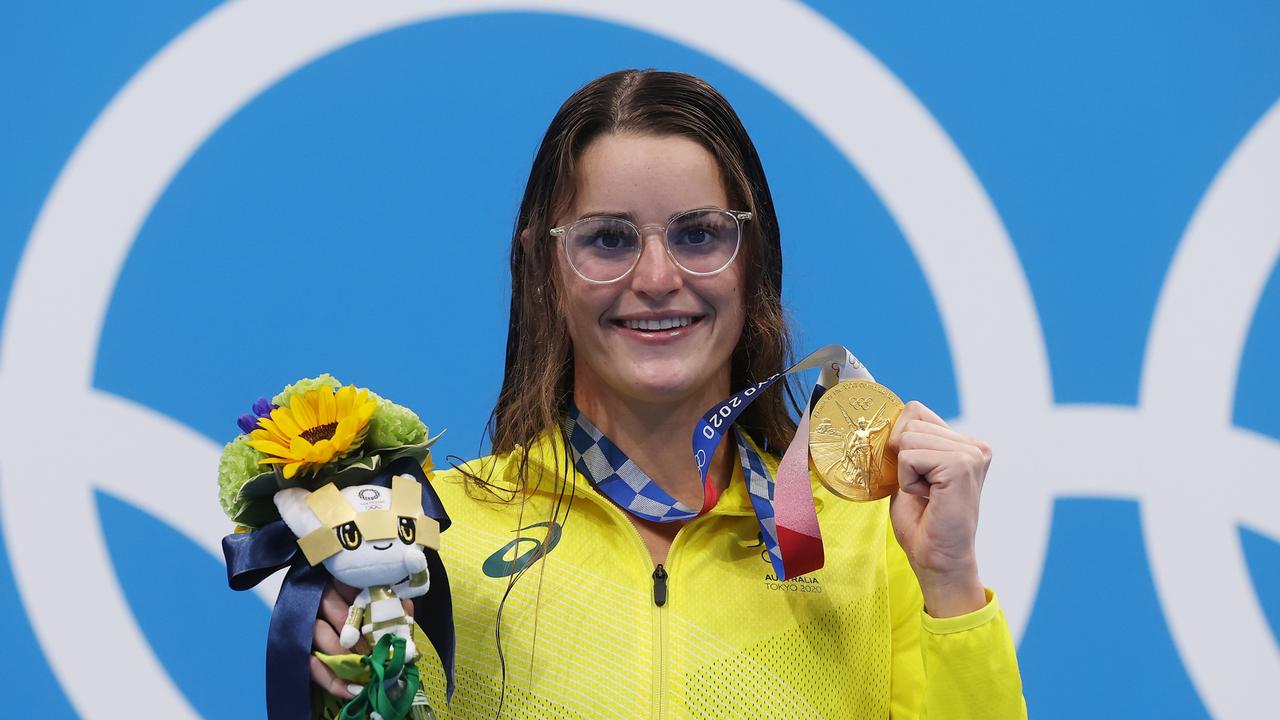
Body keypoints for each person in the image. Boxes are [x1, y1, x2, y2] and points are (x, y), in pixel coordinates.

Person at [312, 69, 1026, 719]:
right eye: (609, 240)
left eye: (698, 234)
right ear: (543, 265)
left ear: (753, 260)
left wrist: (951, 582)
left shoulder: (864, 540)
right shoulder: (430, 542)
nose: (656, 276)